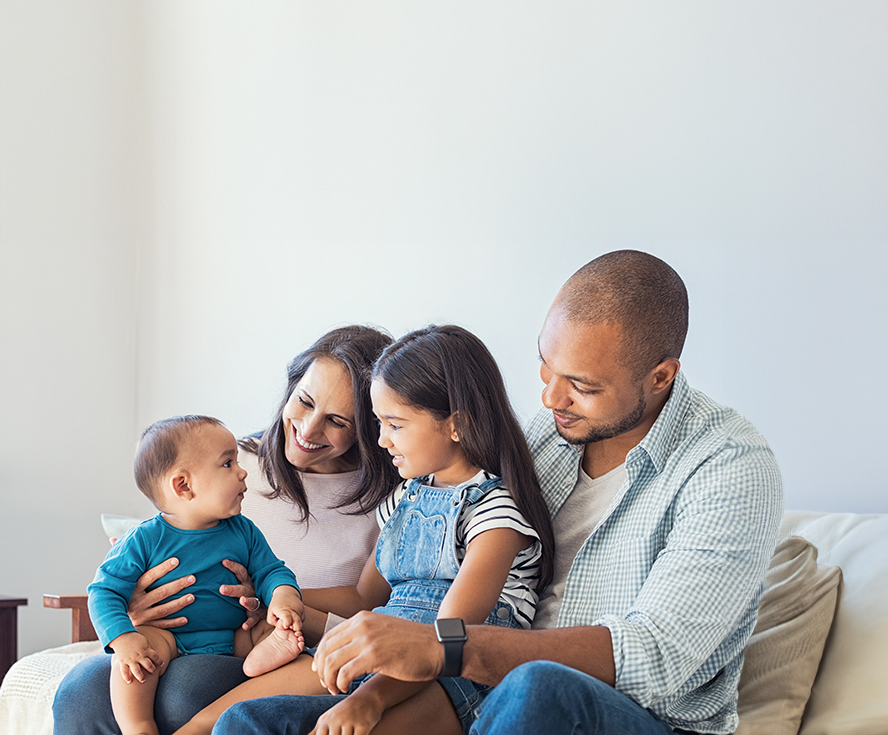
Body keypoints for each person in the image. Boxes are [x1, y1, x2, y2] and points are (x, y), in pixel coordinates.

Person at [214, 252, 784, 735]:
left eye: (583, 386)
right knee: (252, 724)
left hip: (623, 713)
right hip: (483, 689)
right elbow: (422, 479)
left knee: (538, 689)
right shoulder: (544, 439)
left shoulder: (729, 467)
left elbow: (654, 655)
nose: (551, 399)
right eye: (545, 365)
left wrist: (447, 647)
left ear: (660, 376)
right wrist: (271, 592)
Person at [170, 325, 555, 735]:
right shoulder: (404, 499)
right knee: (219, 722)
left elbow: (448, 638)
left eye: (395, 424)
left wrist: (367, 701)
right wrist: (275, 599)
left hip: (453, 674)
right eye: (378, 423)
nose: (382, 440)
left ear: (456, 425)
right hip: (379, 647)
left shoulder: (495, 512)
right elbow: (366, 598)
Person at [53, 325, 397, 735]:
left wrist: (270, 597)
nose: (307, 430)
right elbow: (125, 573)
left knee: (184, 688)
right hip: (173, 629)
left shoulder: (391, 498)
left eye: (337, 421)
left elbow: (369, 601)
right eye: (303, 401)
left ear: (370, 426)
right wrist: (131, 613)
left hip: (267, 635)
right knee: (81, 688)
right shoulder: (227, 463)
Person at [87, 417, 305, 735]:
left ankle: (262, 655)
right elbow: (104, 591)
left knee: (269, 628)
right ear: (184, 486)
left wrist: (284, 596)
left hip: (234, 634)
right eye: (228, 463)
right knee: (136, 664)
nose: (242, 472)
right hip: (169, 639)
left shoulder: (243, 531)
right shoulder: (144, 539)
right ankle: (138, 726)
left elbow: (270, 570)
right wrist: (124, 639)